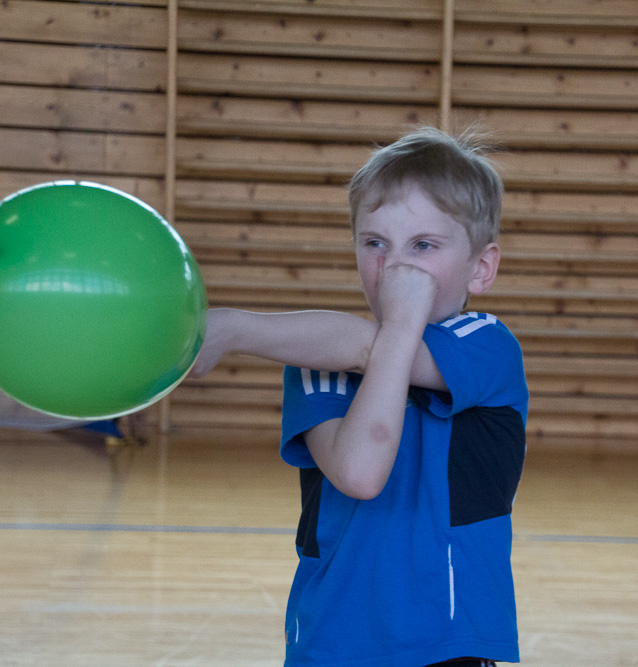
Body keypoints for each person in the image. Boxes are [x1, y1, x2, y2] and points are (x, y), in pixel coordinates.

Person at [190, 127, 529, 666]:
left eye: (423, 245)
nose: (394, 267)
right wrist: (397, 325)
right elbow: (360, 472)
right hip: (331, 645)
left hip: (450, 645)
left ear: (481, 268)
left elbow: (374, 347)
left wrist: (234, 329)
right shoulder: (315, 363)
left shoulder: (487, 345)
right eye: (375, 243)